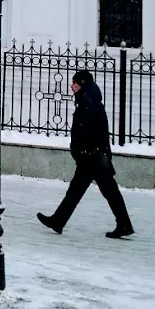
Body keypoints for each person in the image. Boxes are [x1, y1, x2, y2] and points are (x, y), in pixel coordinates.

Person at [37, 69, 134, 239]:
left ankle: (123, 224)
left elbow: (87, 128)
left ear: (81, 83)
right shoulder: (89, 98)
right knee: (91, 190)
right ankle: (59, 220)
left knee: (97, 191)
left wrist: (83, 149)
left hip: (91, 156)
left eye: (74, 82)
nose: (71, 86)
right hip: (92, 154)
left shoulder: (88, 101)